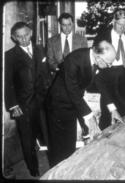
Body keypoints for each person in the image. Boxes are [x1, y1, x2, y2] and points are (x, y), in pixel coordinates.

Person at [45, 39, 123, 167]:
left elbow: (101, 84)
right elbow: (73, 91)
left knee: (69, 144)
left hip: (73, 103)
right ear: (98, 57)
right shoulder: (74, 60)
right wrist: (89, 117)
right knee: (58, 147)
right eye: (109, 63)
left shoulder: (96, 60)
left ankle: (67, 169)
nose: (109, 66)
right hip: (58, 104)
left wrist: (112, 109)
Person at [4, 22, 49, 176]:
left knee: (46, 132)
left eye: (26, 35)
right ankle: (33, 169)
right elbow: (7, 83)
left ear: (31, 33)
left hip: (42, 101)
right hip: (23, 105)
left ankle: (53, 161)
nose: (24, 39)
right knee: (27, 138)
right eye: (19, 37)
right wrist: (13, 105)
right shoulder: (9, 56)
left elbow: (45, 75)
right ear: (14, 38)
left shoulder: (40, 49)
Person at [93, 9, 125, 130]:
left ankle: (121, 140)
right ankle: (103, 141)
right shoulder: (103, 36)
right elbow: (95, 54)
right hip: (108, 75)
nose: (122, 28)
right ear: (113, 21)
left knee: (124, 112)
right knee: (107, 111)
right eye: (120, 25)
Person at [46, 12, 89, 139]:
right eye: (63, 25)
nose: (67, 28)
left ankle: (86, 129)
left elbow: (85, 61)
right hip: (59, 81)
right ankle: (66, 135)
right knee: (65, 108)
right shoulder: (52, 41)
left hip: (76, 81)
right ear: (60, 25)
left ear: (73, 24)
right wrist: (60, 69)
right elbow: (50, 62)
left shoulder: (81, 40)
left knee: (77, 102)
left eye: (69, 25)